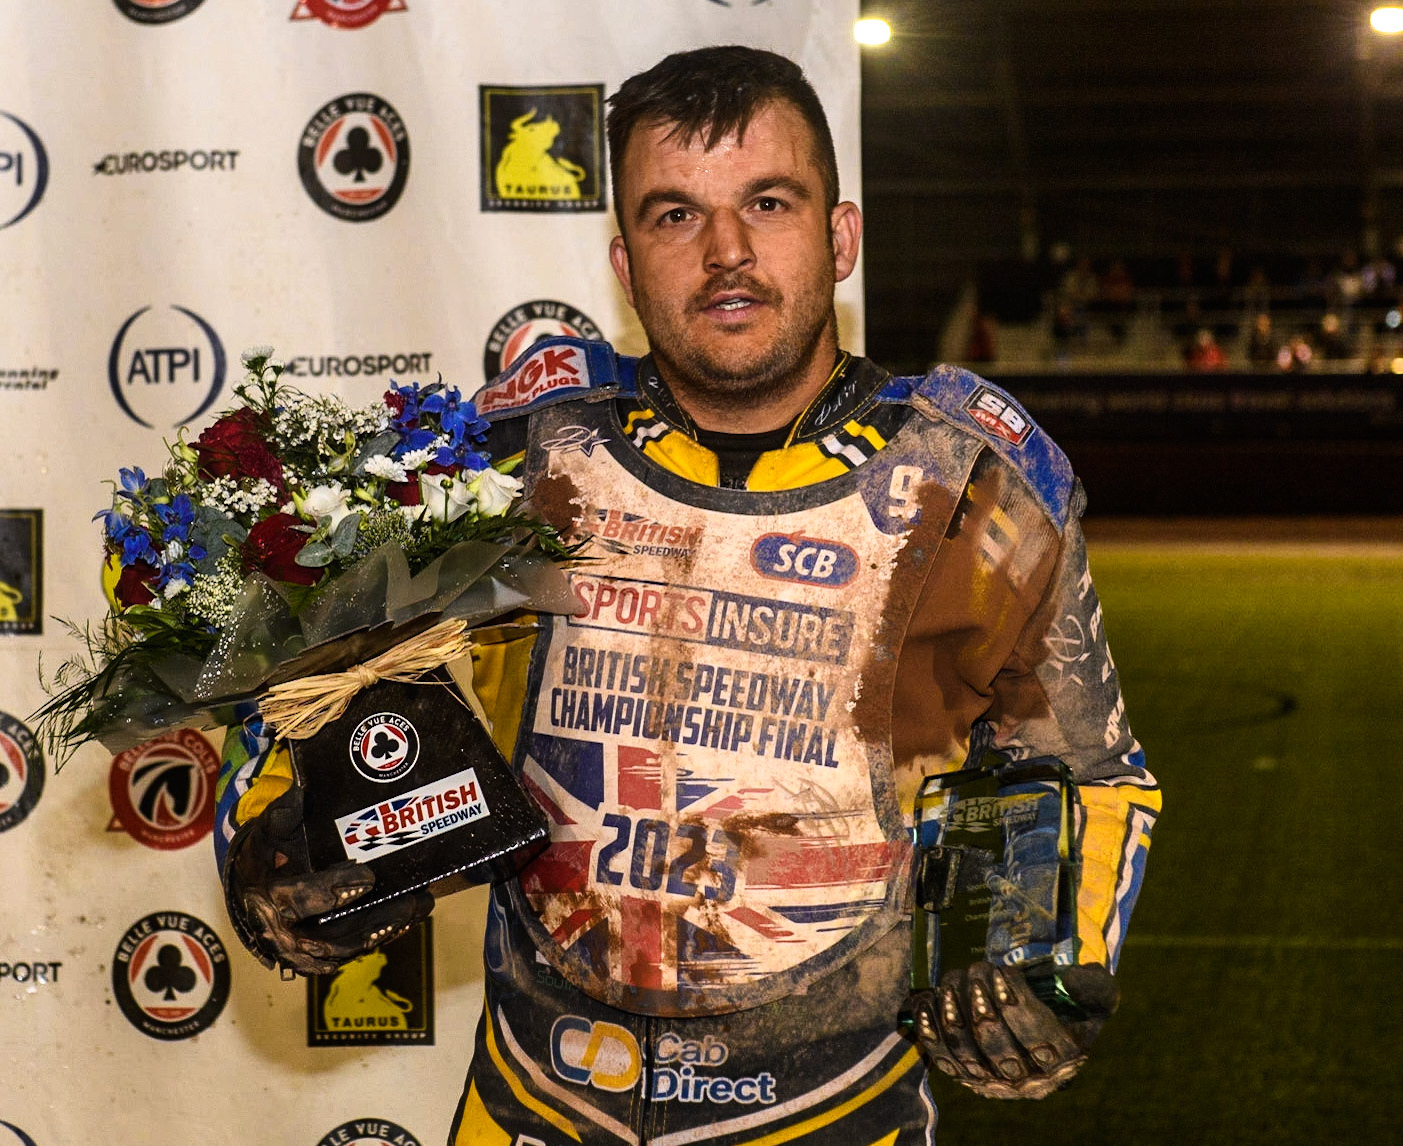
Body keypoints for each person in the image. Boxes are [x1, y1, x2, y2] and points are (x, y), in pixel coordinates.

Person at [214, 46, 1159, 1144]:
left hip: (833, 1109)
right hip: (536, 1097)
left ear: (841, 236)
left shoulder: (971, 478)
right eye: (675, 216)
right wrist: (277, 845)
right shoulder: (521, 454)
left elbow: (1088, 771)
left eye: (768, 202)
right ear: (624, 261)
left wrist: (1050, 953)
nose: (727, 253)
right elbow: (306, 689)